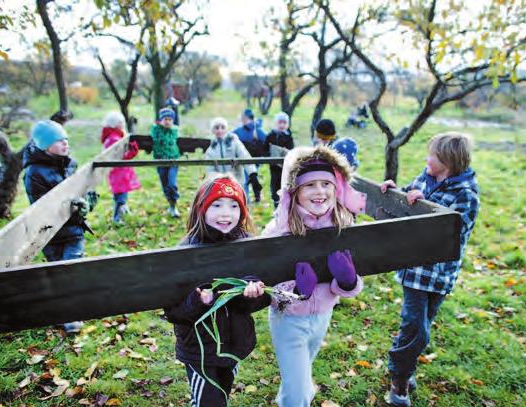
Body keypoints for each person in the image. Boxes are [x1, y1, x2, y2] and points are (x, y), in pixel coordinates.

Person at [262, 145, 367, 407]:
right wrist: (297, 291)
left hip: (322, 317)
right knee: (299, 395)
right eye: (310, 185)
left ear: (336, 188)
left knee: (300, 379)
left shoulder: (344, 226)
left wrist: (347, 282)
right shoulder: (279, 231)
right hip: (288, 322)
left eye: (325, 184)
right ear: (295, 192)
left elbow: (355, 280)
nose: (320, 192)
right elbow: (268, 291)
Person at [380, 132, 480, 407]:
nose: (427, 159)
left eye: (432, 155)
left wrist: (424, 206)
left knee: (422, 325)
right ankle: (399, 379)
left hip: (440, 273)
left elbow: (451, 235)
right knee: (416, 328)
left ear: (446, 162)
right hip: (415, 271)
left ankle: (405, 365)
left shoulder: (465, 195)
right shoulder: (424, 178)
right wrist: (395, 191)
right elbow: (405, 202)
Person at [164, 174, 271, 406]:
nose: (226, 213)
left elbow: (261, 300)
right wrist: (199, 301)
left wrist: (250, 293)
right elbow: (173, 311)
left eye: (234, 206)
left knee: (221, 392)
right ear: (201, 209)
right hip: (199, 348)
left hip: (233, 343)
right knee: (207, 401)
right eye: (217, 205)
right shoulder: (185, 252)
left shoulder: (247, 245)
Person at [23, 120, 96, 334]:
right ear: (46, 146)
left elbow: (83, 189)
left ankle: (71, 316)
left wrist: (87, 201)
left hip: (73, 230)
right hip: (50, 234)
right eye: (59, 141)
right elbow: (42, 204)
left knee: (70, 271)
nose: (65, 144)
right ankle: (61, 313)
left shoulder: (70, 164)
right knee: (57, 274)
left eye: (66, 139)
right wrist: (69, 205)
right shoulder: (34, 173)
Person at [205, 117, 262, 202]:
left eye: (222, 127)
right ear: (213, 130)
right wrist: (213, 181)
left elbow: (244, 156)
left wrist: (252, 174)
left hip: (237, 179)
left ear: (226, 129)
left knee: (240, 201)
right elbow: (210, 169)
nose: (220, 130)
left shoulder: (234, 142)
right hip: (220, 183)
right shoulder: (212, 148)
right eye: (217, 128)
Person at [100, 112, 141, 224]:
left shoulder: (116, 136)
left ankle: (123, 211)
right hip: (118, 172)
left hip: (119, 171)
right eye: (120, 122)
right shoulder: (114, 139)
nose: (122, 124)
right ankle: (117, 218)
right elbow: (121, 157)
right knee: (120, 196)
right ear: (114, 124)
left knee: (121, 194)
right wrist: (132, 152)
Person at [150, 107, 181, 217]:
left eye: (170, 119)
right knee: (165, 184)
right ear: (160, 120)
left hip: (173, 161)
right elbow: (153, 132)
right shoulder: (156, 130)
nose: (167, 121)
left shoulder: (175, 131)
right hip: (161, 161)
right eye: (165, 119)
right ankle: (170, 204)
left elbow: (181, 142)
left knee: (172, 184)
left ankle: (174, 203)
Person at [232, 108, 266, 201]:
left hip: (253, 159)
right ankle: (250, 198)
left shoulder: (257, 130)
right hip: (247, 159)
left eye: (244, 118)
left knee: (248, 179)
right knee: (249, 178)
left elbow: (266, 142)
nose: (243, 120)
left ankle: (248, 199)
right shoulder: (255, 129)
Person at [264, 112, 295, 208]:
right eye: (280, 122)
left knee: (285, 185)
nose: (282, 125)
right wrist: (269, 154)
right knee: (275, 185)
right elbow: (264, 149)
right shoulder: (271, 135)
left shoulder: (288, 136)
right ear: (276, 123)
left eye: (284, 123)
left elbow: (292, 149)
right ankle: (276, 205)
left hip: (285, 166)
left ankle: (286, 206)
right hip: (274, 167)